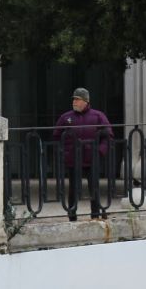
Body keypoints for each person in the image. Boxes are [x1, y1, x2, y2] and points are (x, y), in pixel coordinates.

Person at [52, 87, 113, 221]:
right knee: (73, 188)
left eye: (77, 99)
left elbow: (108, 136)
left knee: (94, 187)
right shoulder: (66, 117)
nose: (74, 102)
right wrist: (64, 152)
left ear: (86, 101)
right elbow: (56, 136)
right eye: (74, 99)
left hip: (92, 158)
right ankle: (72, 215)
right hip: (73, 158)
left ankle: (95, 215)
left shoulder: (98, 116)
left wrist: (100, 152)